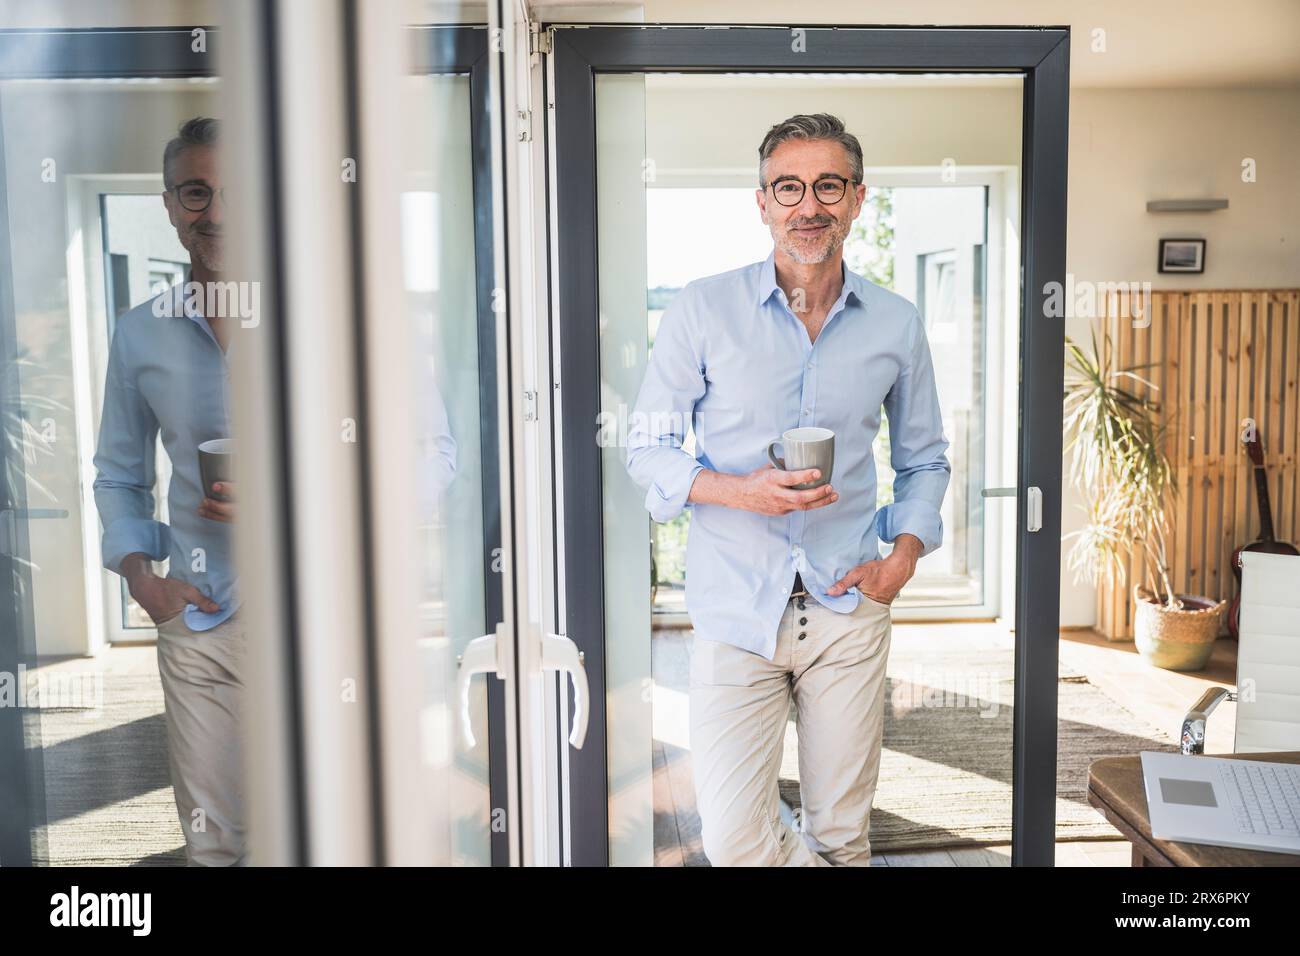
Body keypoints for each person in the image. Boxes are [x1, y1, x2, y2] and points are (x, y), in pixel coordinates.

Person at [625, 113, 951, 866]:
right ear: (763, 202)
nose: (809, 206)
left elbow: (925, 457)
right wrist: (740, 492)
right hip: (738, 612)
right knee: (738, 839)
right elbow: (648, 447)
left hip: (848, 606)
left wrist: (902, 557)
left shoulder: (896, 325)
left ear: (858, 199)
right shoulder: (703, 310)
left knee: (841, 834)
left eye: (828, 186)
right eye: (789, 187)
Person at [93, 116, 246, 866]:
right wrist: (139, 577)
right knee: (213, 842)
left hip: (321, 620)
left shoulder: (325, 320)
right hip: (197, 615)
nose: (215, 211)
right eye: (196, 192)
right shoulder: (139, 333)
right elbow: (120, 475)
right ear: (169, 204)